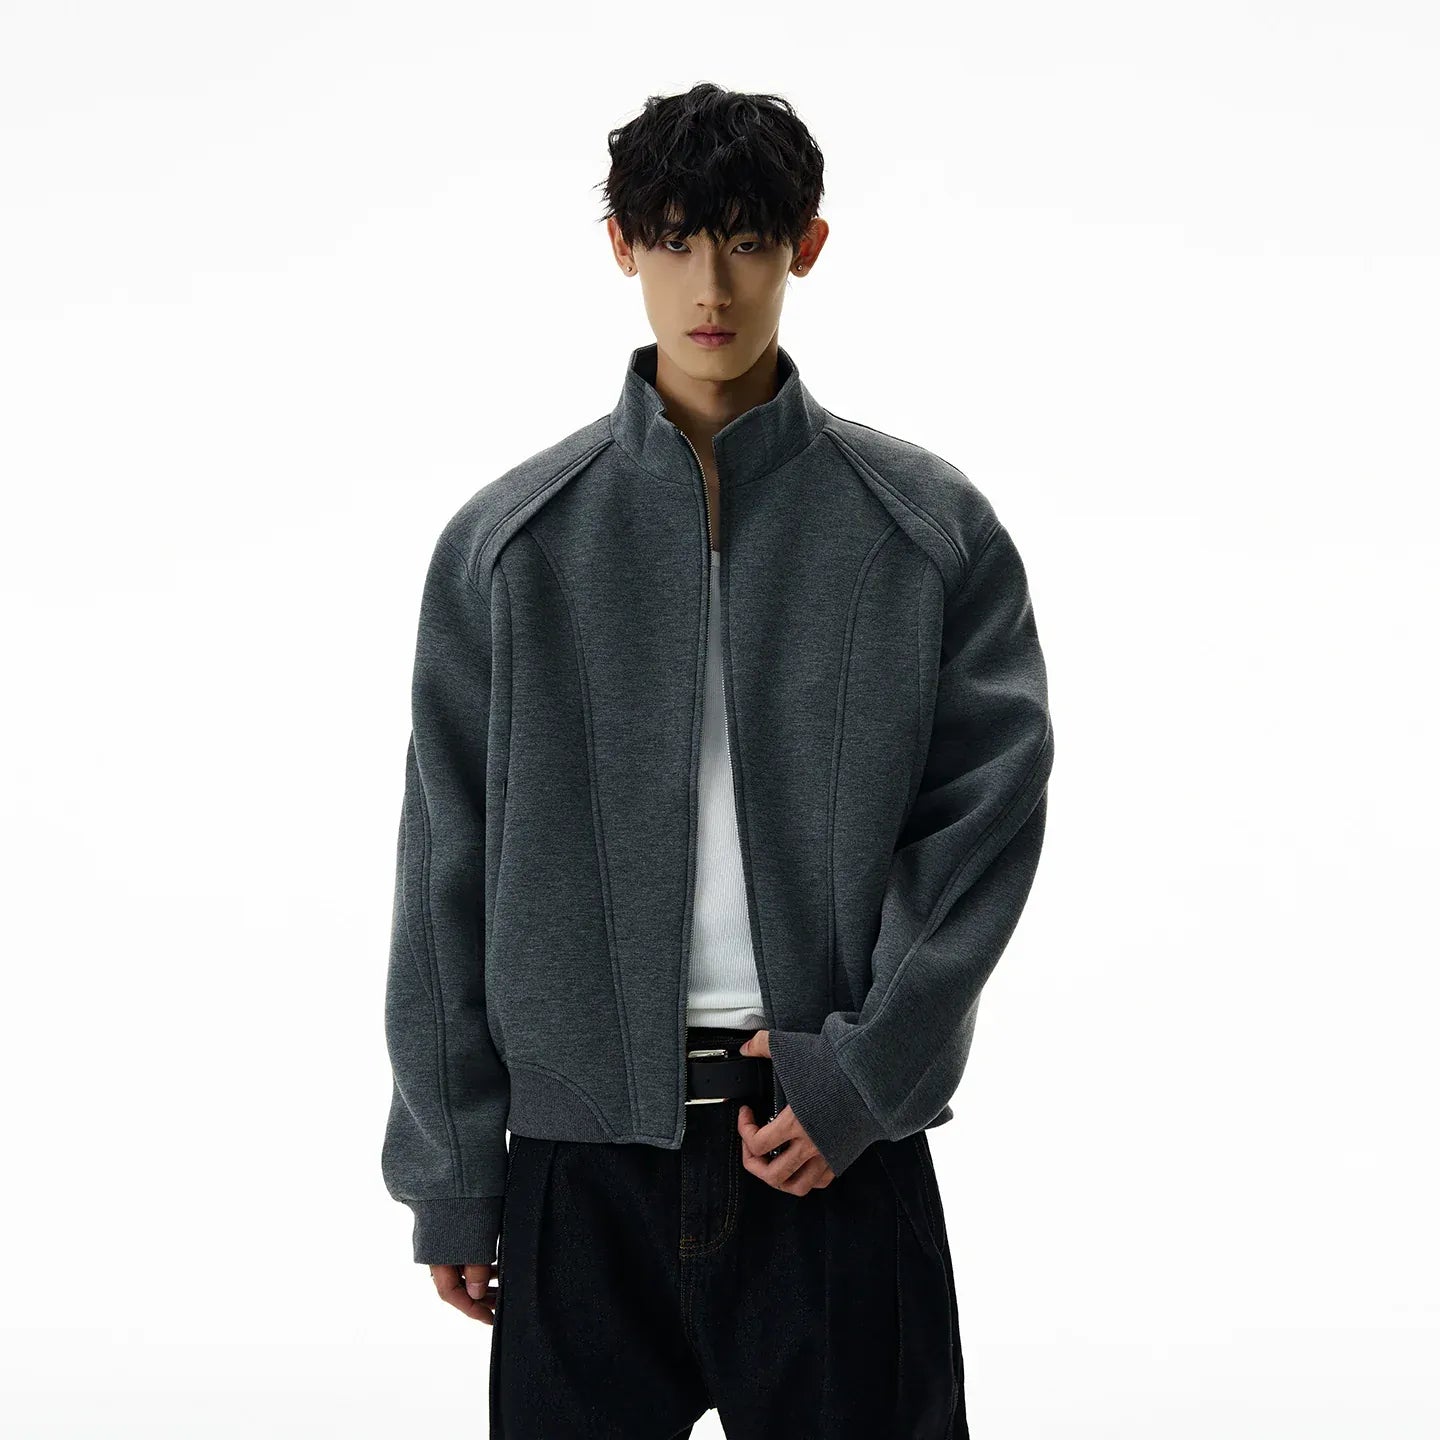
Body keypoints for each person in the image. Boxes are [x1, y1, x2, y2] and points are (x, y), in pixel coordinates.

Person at [381, 81, 1054, 1439]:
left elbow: (983, 827)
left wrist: (864, 1077)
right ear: (621, 246)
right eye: (678, 238)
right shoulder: (510, 548)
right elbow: (445, 870)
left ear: (806, 246)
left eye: (747, 241)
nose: (711, 283)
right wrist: (451, 1167)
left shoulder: (924, 533)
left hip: (828, 1141)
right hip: (577, 1168)